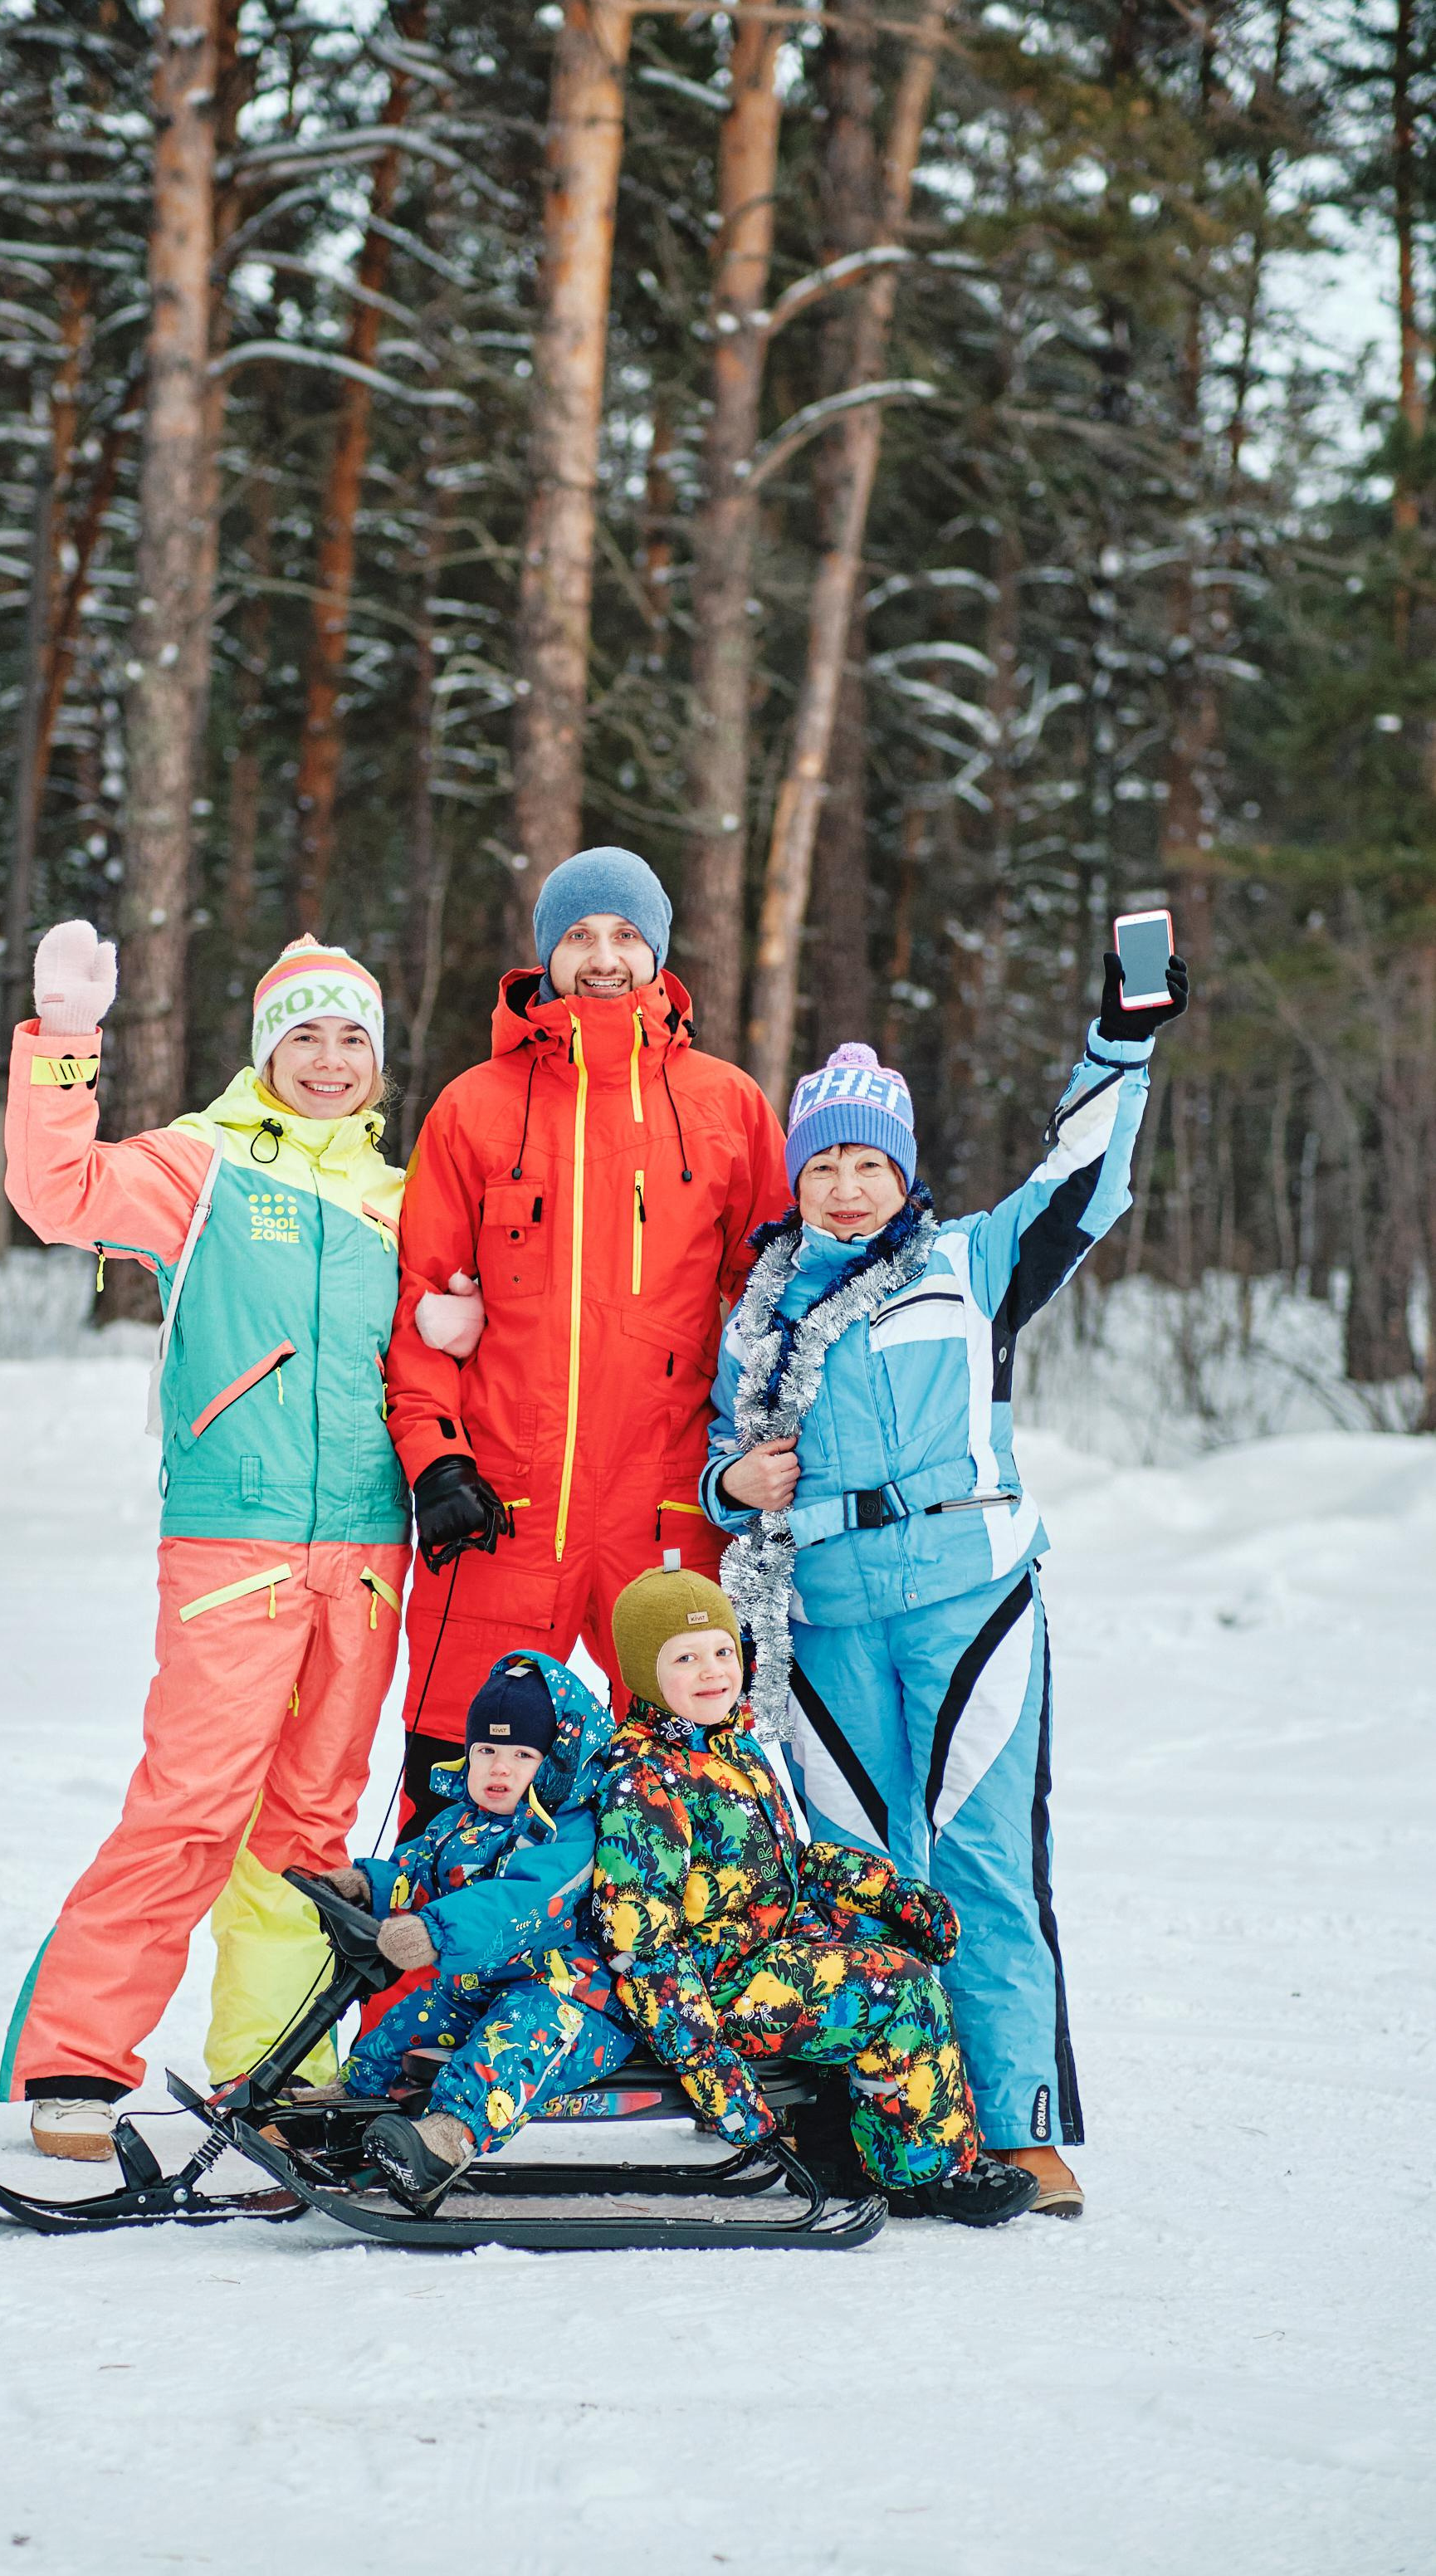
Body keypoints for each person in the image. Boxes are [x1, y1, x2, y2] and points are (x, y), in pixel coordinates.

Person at [699, 947, 1191, 2216]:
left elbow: (1082, 1178)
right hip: (823, 1615)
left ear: (904, 1174)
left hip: (969, 1594)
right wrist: (728, 1490)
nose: (847, 1187)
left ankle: (1020, 2122)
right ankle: (894, 2120)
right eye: (825, 1165)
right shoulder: (755, 1312)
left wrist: (1118, 1046)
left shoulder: (968, 1264)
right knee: (858, 1871)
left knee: (980, 1861)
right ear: (797, 1177)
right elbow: (717, 1464)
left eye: (870, 1165)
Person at [0, 924, 409, 2162]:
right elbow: (54, 1195)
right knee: (189, 1805)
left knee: (310, 1826)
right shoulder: (207, 1163)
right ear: (265, 1050)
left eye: (351, 1039)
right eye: (304, 1036)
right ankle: (77, 2057)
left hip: (372, 1549)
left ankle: (274, 2064)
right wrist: (65, 1046)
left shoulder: (405, 1196)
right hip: (238, 1541)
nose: (328, 1061)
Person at [380, 845, 789, 1830]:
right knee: (459, 1807)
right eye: (578, 936)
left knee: (687, 1816)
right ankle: (427, 1992)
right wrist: (436, 1462)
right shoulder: (472, 1108)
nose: (602, 957)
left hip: (669, 1512)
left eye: (623, 935)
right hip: (501, 1513)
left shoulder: (727, 1106)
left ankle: (658, 1990)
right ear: (544, 955)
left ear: (656, 954)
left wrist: (758, 1466)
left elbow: (775, 1308)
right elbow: (425, 1311)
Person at [591, 1565, 1036, 2223]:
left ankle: (840, 2146)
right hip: (710, 1990)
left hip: (756, 1951)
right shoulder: (645, 1783)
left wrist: (886, 1894)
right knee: (898, 1988)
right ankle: (929, 2172)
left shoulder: (727, 1744)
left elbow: (777, 1865)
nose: (712, 1671)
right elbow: (640, 1948)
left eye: (721, 1651)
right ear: (640, 1672)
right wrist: (715, 2078)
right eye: (684, 1658)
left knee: (876, 1940)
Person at [303, 1653, 635, 2209]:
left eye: (520, 1754)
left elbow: (523, 1900)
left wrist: (434, 1928)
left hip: (572, 1997)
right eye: (486, 1751)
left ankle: (446, 2138)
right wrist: (368, 1884)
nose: (498, 1769)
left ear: (554, 1761)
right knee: (409, 2021)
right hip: (486, 1983)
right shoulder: (460, 1820)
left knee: (510, 2040)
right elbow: (420, 1870)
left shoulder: (570, 1831)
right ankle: (345, 2104)